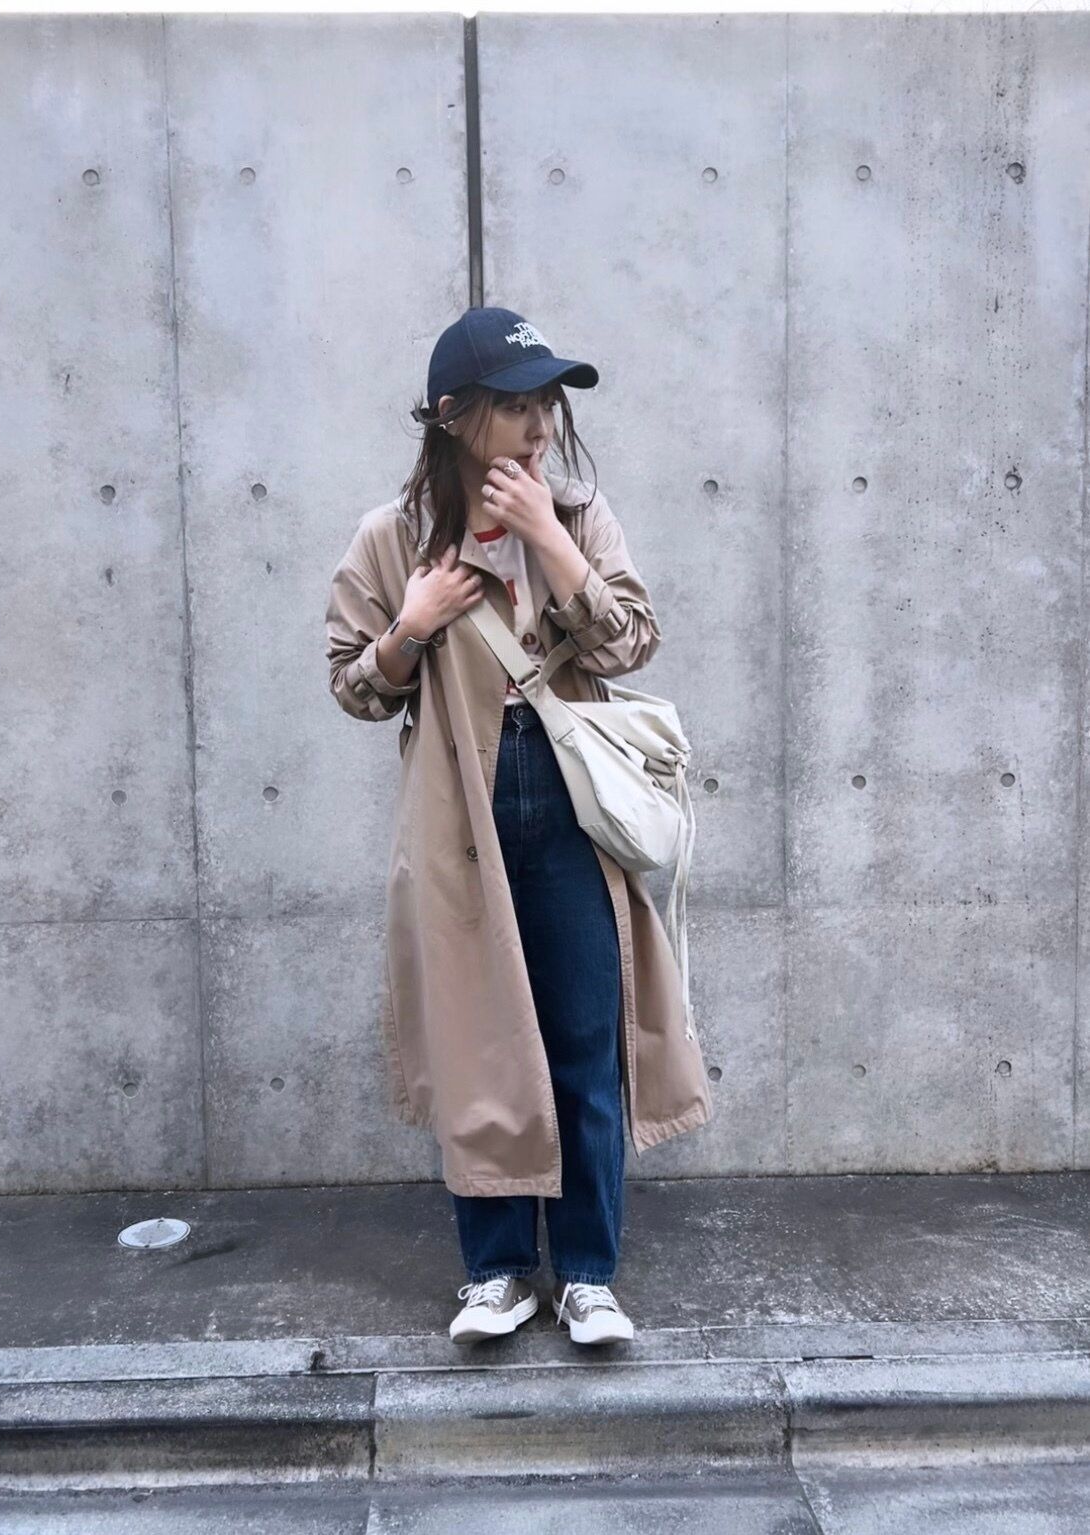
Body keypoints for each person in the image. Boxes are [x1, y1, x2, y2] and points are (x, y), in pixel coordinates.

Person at [325, 307, 713, 1349]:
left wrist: (549, 539)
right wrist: (410, 627)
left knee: (585, 1038)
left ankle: (586, 1273)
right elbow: (354, 687)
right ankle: (496, 1269)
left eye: (548, 404)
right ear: (454, 415)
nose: (541, 426)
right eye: (517, 405)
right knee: (481, 1042)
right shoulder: (393, 538)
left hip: (571, 802)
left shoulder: (578, 513)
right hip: (462, 807)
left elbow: (631, 641)